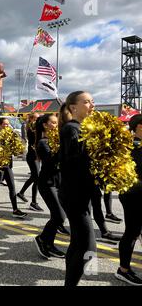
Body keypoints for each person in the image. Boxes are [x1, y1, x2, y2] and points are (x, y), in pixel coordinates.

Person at [58, 91, 96, 286]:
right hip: (75, 194)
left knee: (77, 243)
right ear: (73, 107)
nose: (92, 105)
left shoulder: (79, 128)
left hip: (79, 193)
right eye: (87, 102)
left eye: (92, 101)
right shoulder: (72, 129)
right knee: (88, 249)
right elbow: (74, 163)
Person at [33, 114, 66, 259]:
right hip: (47, 183)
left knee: (57, 216)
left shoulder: (56, 140)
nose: (56, 125)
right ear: (45, 125)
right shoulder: (42, 142)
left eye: (57, 122)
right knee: (59, 216)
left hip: (59, 183)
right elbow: (51, 161)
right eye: (53, 123)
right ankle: (41, 239)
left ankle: (49, 243)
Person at [115, 114, 142, 286]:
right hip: (133, 195)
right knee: (132, 232)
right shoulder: (132, 145)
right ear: (138, 127)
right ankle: (123, 270)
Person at [0, 118, 27, 218]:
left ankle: (15, 209)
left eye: (8, 124)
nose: (7, 126)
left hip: (7, 165)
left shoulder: (10, 135)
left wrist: (18, 143)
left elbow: (15, 151)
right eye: (5, 124)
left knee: (12, 187)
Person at [17, 112, 43, 211]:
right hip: (32, 156)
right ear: (31, 119)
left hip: (36, 156)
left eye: (39, 118)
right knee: (36, 178)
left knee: (34, 177)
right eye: (36, 118)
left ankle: (21, 193)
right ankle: (34, 202)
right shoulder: (32, 129)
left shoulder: (36, 128)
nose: (38, 120)